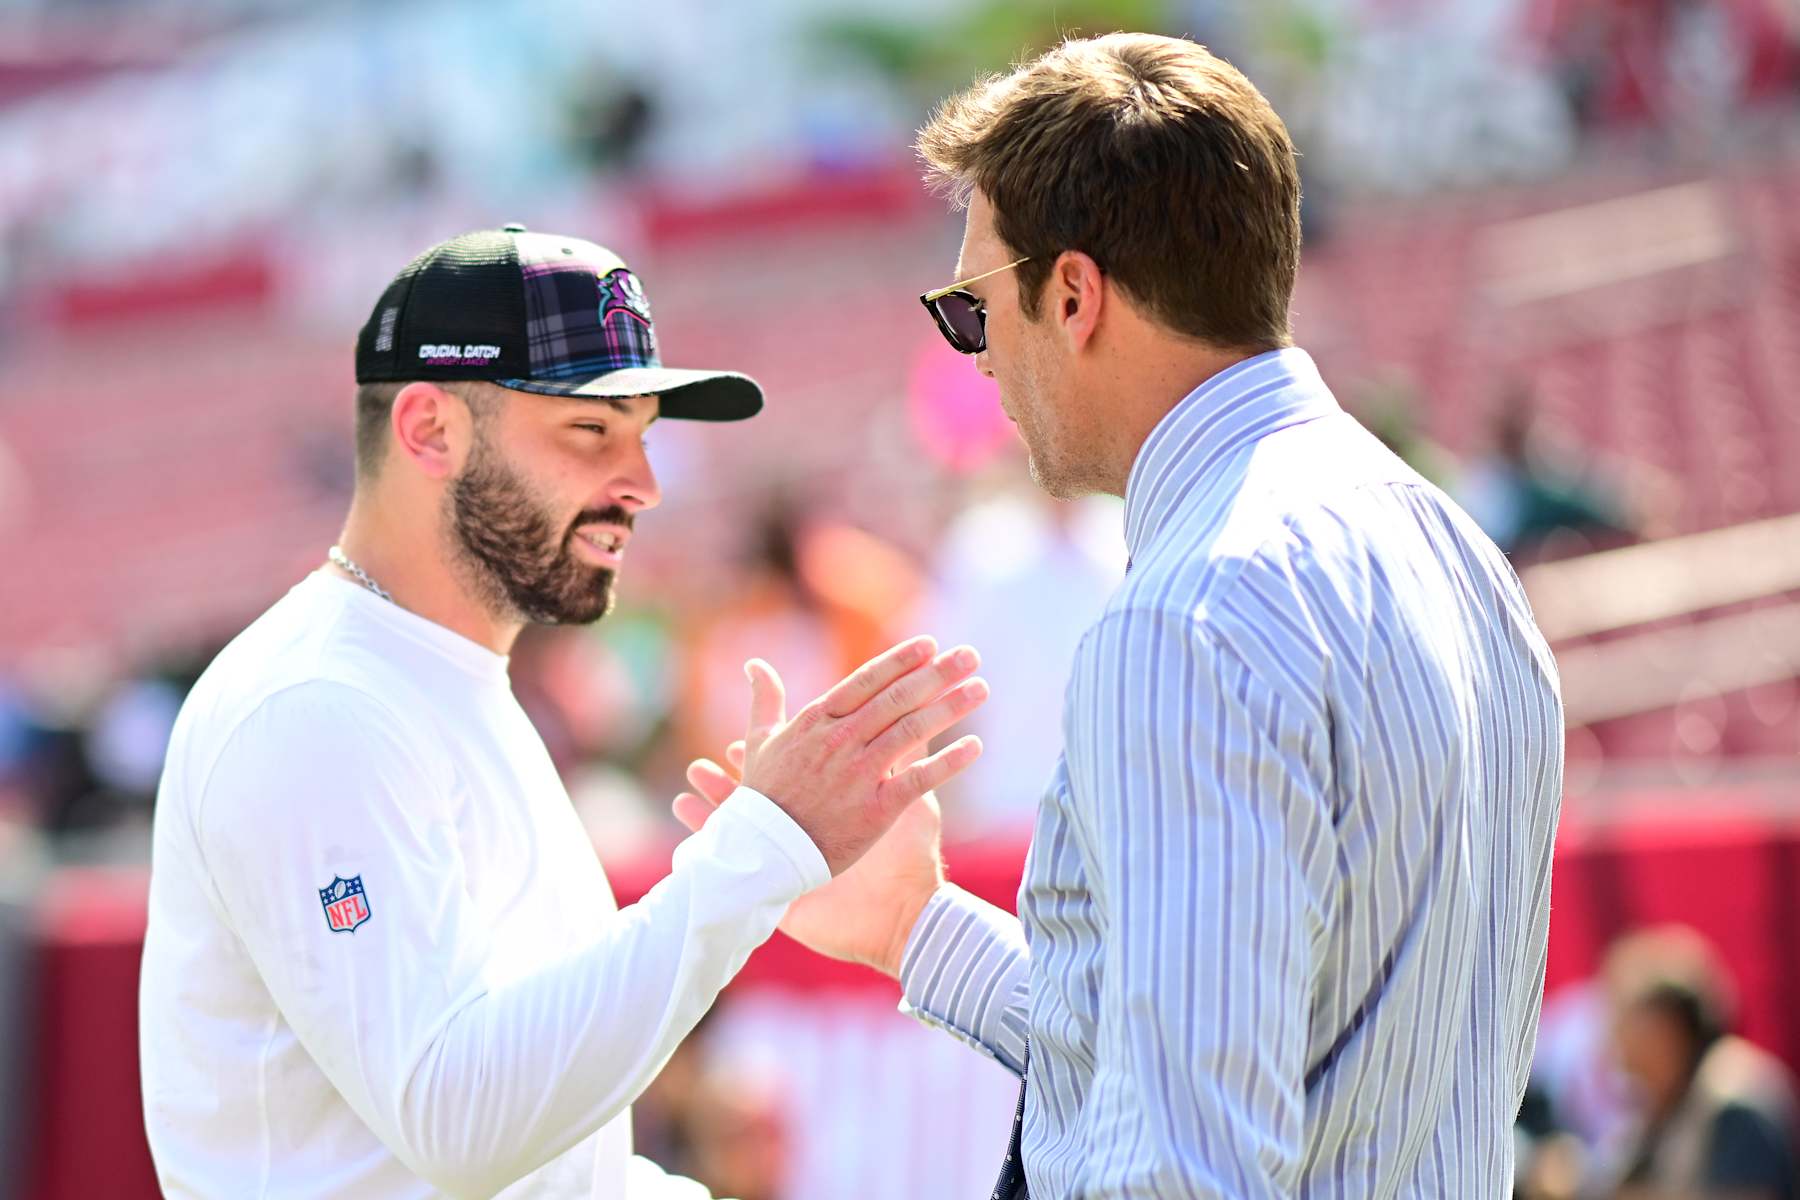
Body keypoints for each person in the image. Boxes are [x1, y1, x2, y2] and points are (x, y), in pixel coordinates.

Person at [676, 32, 1564, 1196]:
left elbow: (1178, 1167)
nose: (978, 356)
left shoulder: (1186, 618)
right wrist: (912, 923)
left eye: (972, 307)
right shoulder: (1459, 556)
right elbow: (1265, 1062)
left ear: (1075, 294)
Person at [137, 225, 988, 1199]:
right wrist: (762, 850)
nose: (643, 485)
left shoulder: (442, 677)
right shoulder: (318, 708)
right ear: (429, 430)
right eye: (591, 431)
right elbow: (454, 1123)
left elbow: (544, 1163)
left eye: (643, 434)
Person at [1602, 927, 1798, 1200]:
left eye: (1624, 1017)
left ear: (1665, 1028)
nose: (1613, 1035)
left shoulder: (1735, 1098)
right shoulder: (1674, 1096)